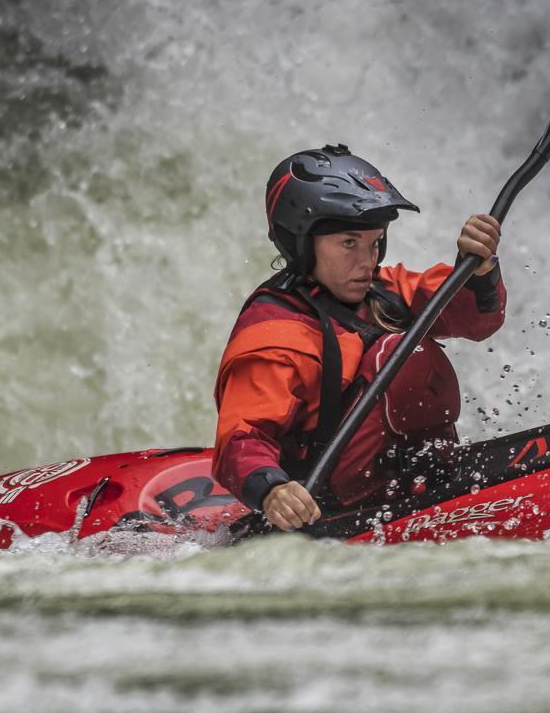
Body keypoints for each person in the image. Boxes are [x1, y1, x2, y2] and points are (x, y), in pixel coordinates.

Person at [214, 144, 504, 531]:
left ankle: (424, 478)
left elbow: (475, 321)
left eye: (375, 242)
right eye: (349, 243)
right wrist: (273, 491)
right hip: (329, 511)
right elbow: (242, 440)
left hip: (415, 482)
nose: (368, 261)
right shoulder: (276, 336)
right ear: (301, 242)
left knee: (404, 350)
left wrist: (479, 270)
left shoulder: (383, 289)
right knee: (395, 353)